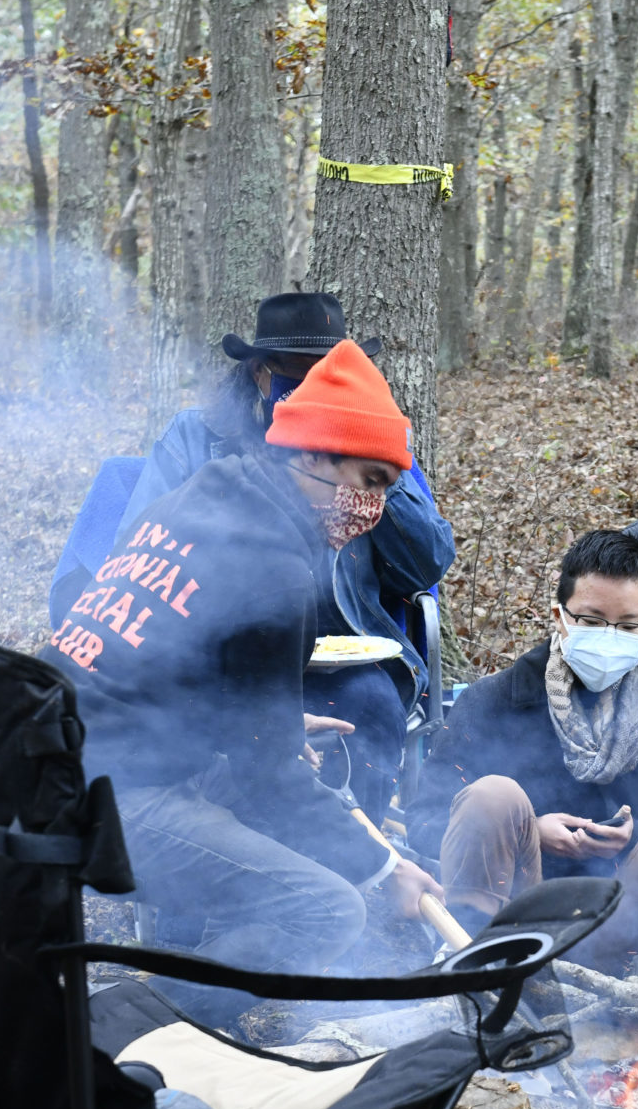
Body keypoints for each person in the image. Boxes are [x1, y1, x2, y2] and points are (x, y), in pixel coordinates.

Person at [44, 339, 444, 1019]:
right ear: (312, 454)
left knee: (298, 832)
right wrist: (380, 870)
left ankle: (166, 997)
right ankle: (131, 1033)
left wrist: (274, 722)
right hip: (99, 796)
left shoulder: (199, 499)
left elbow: (166, 661)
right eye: (369, 480)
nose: (374, 505)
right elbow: (269, 779)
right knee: (325, 909)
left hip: (51, 752)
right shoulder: (275, 563)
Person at [116, 292, 455, 820]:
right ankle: (228, 862)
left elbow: (427, 560)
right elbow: (139, 543)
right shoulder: (199, 438)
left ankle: (352, 859)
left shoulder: (366, 436)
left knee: (372, 708)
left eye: (327, 371)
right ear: (257, 373)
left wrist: (366, 471)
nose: (314, 384)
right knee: (233, 742)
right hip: (218, 652)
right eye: (296, 373)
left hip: (340, 648)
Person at [404, 529, 638, 978]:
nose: (609, 637)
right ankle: (478, 963)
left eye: (627, 626)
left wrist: (633, 834)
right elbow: (423, 821)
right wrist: (530, 829)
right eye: (591, 620)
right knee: (494, 795)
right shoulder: (493, 701)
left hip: (626, 918)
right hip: (519, 910)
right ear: (559, 617)